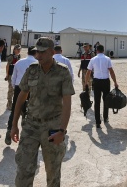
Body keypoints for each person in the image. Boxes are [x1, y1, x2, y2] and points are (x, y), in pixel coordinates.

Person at [11, 37, 75, 186]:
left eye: (42, 52)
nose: (38, 55)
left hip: (53, 127)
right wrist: (14, 125)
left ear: (52, 52)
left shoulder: (62, 72)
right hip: (31, 125)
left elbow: (67, 104)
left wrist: (62, 131)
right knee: (23, 170)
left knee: (53, 172)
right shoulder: (32, 70)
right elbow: (21, 97)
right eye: (37, 52)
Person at [5, 46, 38, 145]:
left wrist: (15, 88)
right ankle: (25, 135)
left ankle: (9, 130)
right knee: (28, 112)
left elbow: (13, 77)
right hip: (32, 89)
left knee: (15, 110)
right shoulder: (37, 63)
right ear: (36, 53)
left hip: (19, 88)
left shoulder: (19, 62)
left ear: (27, 52)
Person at [86, 44, 118, 129]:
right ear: (103, 50)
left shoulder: (93, 59)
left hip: (96, 82)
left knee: (97, 101)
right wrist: (115, 82)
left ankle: (97, 122)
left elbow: (88, 72)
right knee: (106, 100)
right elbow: (111, 71)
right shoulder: (107, 59)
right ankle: (105, 117)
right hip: (105, 82)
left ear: (96, 50)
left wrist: (86, 82)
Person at [5, 44, 22, 110]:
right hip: (11, 75)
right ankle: (9, 104)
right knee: (11, 90)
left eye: (19, 49)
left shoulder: (19, 56)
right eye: (18, 49)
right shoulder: (11, 57)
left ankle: (12, 104)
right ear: (14, 50)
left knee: (16, 89)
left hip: (16, 75)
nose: (19, 51)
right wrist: (7, 75)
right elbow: (7, 66)